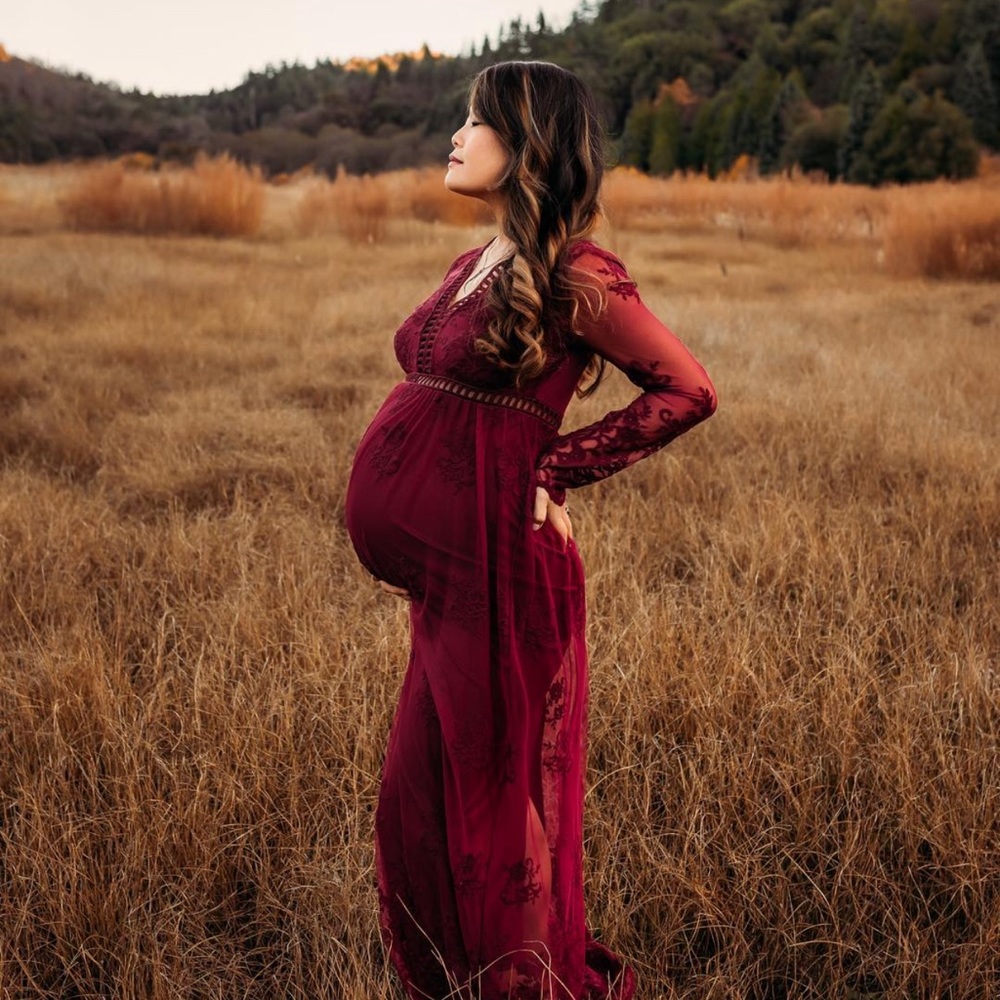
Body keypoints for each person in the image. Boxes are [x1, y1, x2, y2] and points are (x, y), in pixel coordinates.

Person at [345, 60, 717, 1000]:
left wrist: (558, 466)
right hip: (449, 577)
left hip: (506, 568)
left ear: (526, 145)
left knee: (492, 808)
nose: (456, 137)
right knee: (419, 801)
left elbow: (687, 389)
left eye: (475, 121)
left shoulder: (576, 271)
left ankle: (523, 985)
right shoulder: (475, 262)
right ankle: (461, 980)